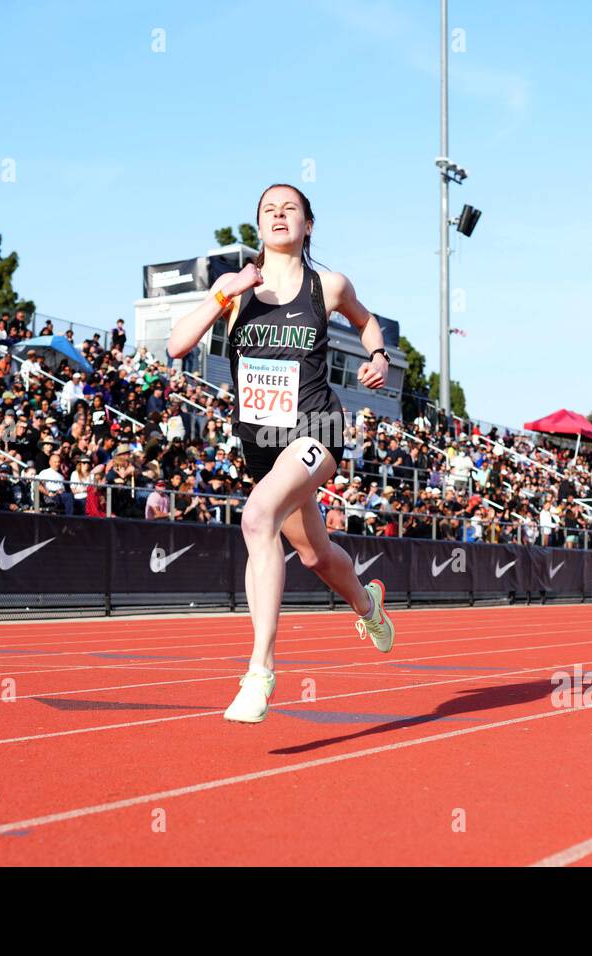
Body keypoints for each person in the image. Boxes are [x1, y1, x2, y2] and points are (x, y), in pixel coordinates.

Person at [165, 183, 396, 724]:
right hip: (261, 445)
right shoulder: (234, 286)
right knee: (314, 555)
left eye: (290, 208)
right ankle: (368, 605)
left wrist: (379, 356)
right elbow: (177, 345)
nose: (279, 214)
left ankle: (259, 672)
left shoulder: (328, 285)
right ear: (258, 225)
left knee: (257, 516)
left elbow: (366, 322)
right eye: (269, 209)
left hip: (317, 428)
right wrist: (230, 291)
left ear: (307, 225)